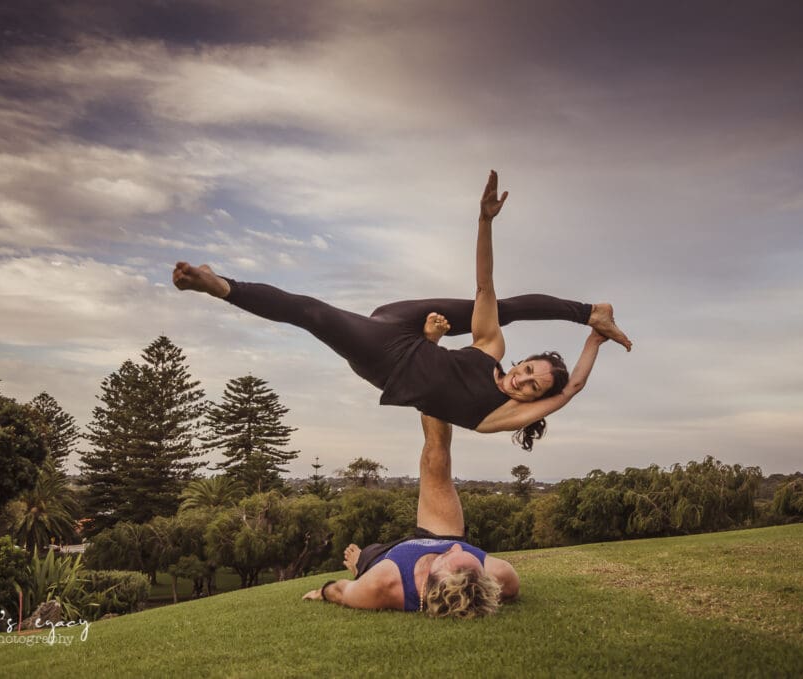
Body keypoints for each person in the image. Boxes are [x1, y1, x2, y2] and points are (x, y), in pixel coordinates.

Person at [174, 170, 631, 450]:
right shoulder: (491, 348)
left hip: (385, 358)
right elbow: (485, 284)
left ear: (534, 402)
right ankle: (591, 309)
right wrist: (484, 222)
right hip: (401, 326)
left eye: (532, 387)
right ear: (523, 360)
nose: (524, 379)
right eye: (529, 369)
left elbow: (570, 390)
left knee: (312, 314)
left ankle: (221, 286)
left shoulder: (498, 417)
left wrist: (594, 343)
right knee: (494, 306)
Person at [302, 414, 519, 618]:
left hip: (387, 559)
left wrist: (323, 591)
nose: (457, 547)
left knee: (365, 559)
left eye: (449, 556)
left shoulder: (384, 584)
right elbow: (482, 585)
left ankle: (361, 563)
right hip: (441, 533)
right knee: (435, 460)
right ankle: (434, 393)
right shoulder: (500, 575)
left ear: (434, 577)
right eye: (467, 553)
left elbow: (341, 591)